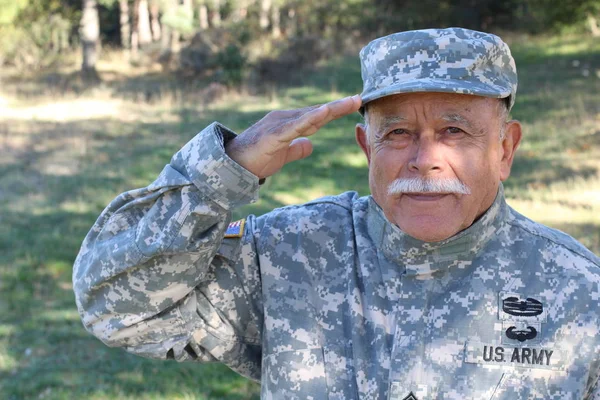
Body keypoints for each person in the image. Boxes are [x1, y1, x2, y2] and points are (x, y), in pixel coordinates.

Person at [73, 28, 600, 399]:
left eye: (455, 131)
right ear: (367, 149)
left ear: (505, 150)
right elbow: (116, 308)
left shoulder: (577, 292)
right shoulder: (288, 254)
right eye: (396, 133)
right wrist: (219, 173)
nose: (424, 159)